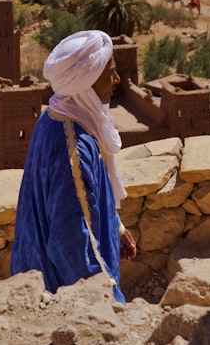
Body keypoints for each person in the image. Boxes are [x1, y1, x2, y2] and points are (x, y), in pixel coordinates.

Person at [11, 30, 136, 302]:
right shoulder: (74, 149)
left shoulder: (55, 116)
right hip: (61, 294)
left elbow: (85, 201)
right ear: (87, 85)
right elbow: (70, 247)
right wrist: (109, 303)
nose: (116, 80)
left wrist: (116, 228)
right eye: (109, 74)